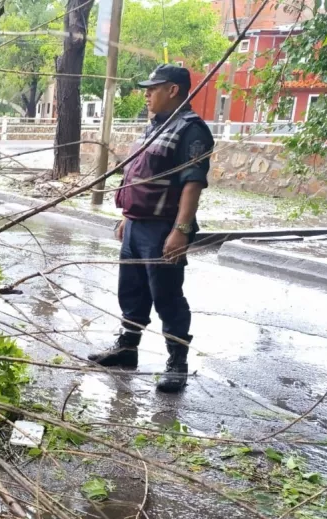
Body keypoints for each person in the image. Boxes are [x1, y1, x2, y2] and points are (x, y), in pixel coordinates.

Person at [87, 64, 214, 393]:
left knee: (167, 297)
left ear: (173, 90)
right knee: (131, 292)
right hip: (135, 226)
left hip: (163, 230)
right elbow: (139, 177)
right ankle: (127, 350)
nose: (146, 94)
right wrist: (127, 218)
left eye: (153, 88)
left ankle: (177, 363)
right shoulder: (155, 127)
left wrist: (181, 230)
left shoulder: (191, 130)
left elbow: (192, 184)